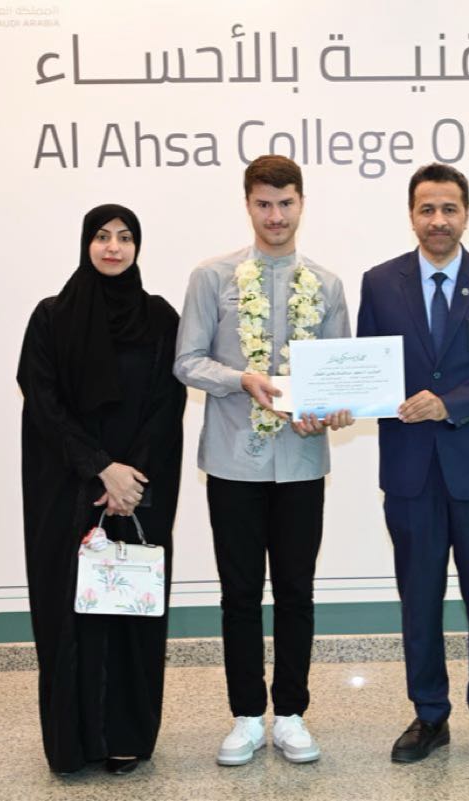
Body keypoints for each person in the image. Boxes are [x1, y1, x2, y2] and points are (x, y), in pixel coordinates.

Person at [174, 155, 352, 766]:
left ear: (302, 203)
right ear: (247, 204)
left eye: (286, 203)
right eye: (264, 204)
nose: (275, 216)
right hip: (233, 462)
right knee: (240, 593)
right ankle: (248, 716)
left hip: (301, 462)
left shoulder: (327, 285)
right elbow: (187, 361)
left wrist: (331, 409)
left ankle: (293, 715)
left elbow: (338, 373)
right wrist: (239, 379)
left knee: (297, 591)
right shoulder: (211, 277)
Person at [357, 163, 469, 765]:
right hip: (411, 471)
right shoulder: (380, 283)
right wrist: (338, 399)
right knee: (419, 599)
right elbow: (369, 368)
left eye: (449, 209)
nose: (438, 220)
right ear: (411, 215)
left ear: (466, 214)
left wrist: (448, 404)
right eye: (427, 209)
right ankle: (429, 715)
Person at [17, 204, 186, 776]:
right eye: (102, 236)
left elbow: (167, 404)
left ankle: (125, 737)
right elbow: (42, 400)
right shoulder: (51, 316)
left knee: (129, 611)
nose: (113, 247)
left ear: (138, 247)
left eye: (125, 237)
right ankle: (72, 742)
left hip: (139, 490)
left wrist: (128, 477)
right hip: (67, 489)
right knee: (69, 612)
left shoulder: (159, 317)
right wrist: (99, 469)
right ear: (86, 242)